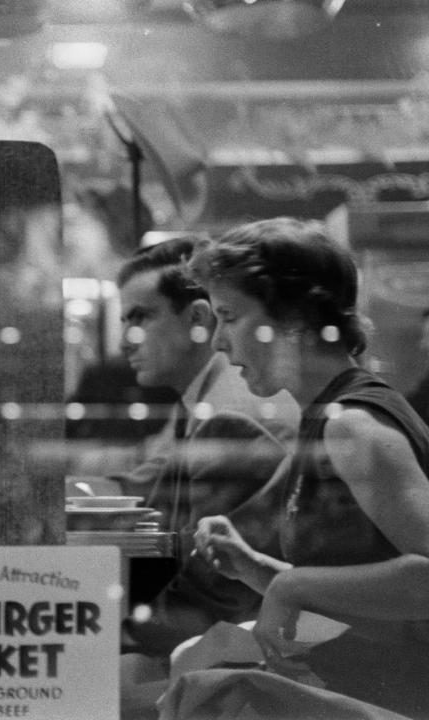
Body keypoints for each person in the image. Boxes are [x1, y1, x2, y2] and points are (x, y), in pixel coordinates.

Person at [186, 217, 429, 718]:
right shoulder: (324, 415)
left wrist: (292, 585)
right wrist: (257, 569)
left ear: (292, 318)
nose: (216, 342)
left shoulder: (352, 427)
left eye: (228, 316)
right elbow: (376, 599)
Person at [114, 237, 301, 657]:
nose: (124, 341)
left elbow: (218, 590)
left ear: (199, 318)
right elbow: (148, 485)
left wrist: (114, 637)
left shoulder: (230, 412)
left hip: (248, 657)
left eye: (139, 318)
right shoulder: (206, 398)